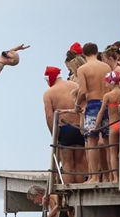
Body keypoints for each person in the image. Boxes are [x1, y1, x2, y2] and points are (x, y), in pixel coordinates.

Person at [75, 43, 112, 183]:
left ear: (84, 54)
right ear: (97, 52)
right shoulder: (106, 67)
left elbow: (83, 91)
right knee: (108, 142)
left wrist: (77, 104)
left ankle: (95, 176)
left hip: (93, 105)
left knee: (92, 142)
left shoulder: (82, 68)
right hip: (107, 103)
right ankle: (110, 176)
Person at [42, 66, 87, 183]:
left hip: (65, 129)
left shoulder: (49, 93)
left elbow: (49, 116)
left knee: (67, 164)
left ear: (49, 79)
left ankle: (68, 192)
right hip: (80, 127)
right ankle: (79, 191)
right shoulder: (75, 86)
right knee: (79, 162)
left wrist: (54, 134)